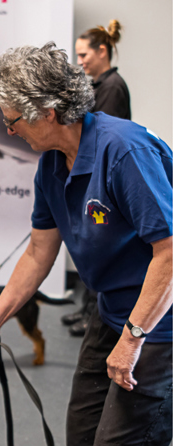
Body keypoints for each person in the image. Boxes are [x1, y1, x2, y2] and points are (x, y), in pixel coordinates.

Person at [0, 43, 172, 446]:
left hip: (160, 322)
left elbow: (170, 252)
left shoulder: (123, 151)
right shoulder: (52, 165)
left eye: (12, 118)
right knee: (82, 437)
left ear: (48, 112)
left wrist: (132, 339)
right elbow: (39, 252)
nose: (9, 129)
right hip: (114, 308)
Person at [63, 19, 132, 336]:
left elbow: (105, 138)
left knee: (101, 246)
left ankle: (95, 316)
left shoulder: (113, 88)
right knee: (90, 247)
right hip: (91, 177)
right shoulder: (98, 86)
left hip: (103, 182)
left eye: (83, 55)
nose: (80, 62)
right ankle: (86, 311)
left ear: (102, 51)